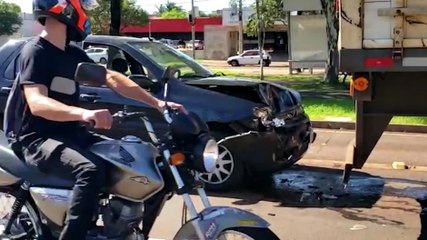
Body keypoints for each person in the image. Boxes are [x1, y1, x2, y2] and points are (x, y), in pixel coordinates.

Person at [3, 0, 186, 239]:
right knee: (90, 170)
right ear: (63, 7)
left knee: (130, 158)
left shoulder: (73, 55)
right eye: (82, 4)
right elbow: (37, 103)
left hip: (69, 133)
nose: (86, 11)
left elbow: (111, 78)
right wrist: (84, 113)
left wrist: (157, 103)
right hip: (35, 137)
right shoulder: (36, 51)